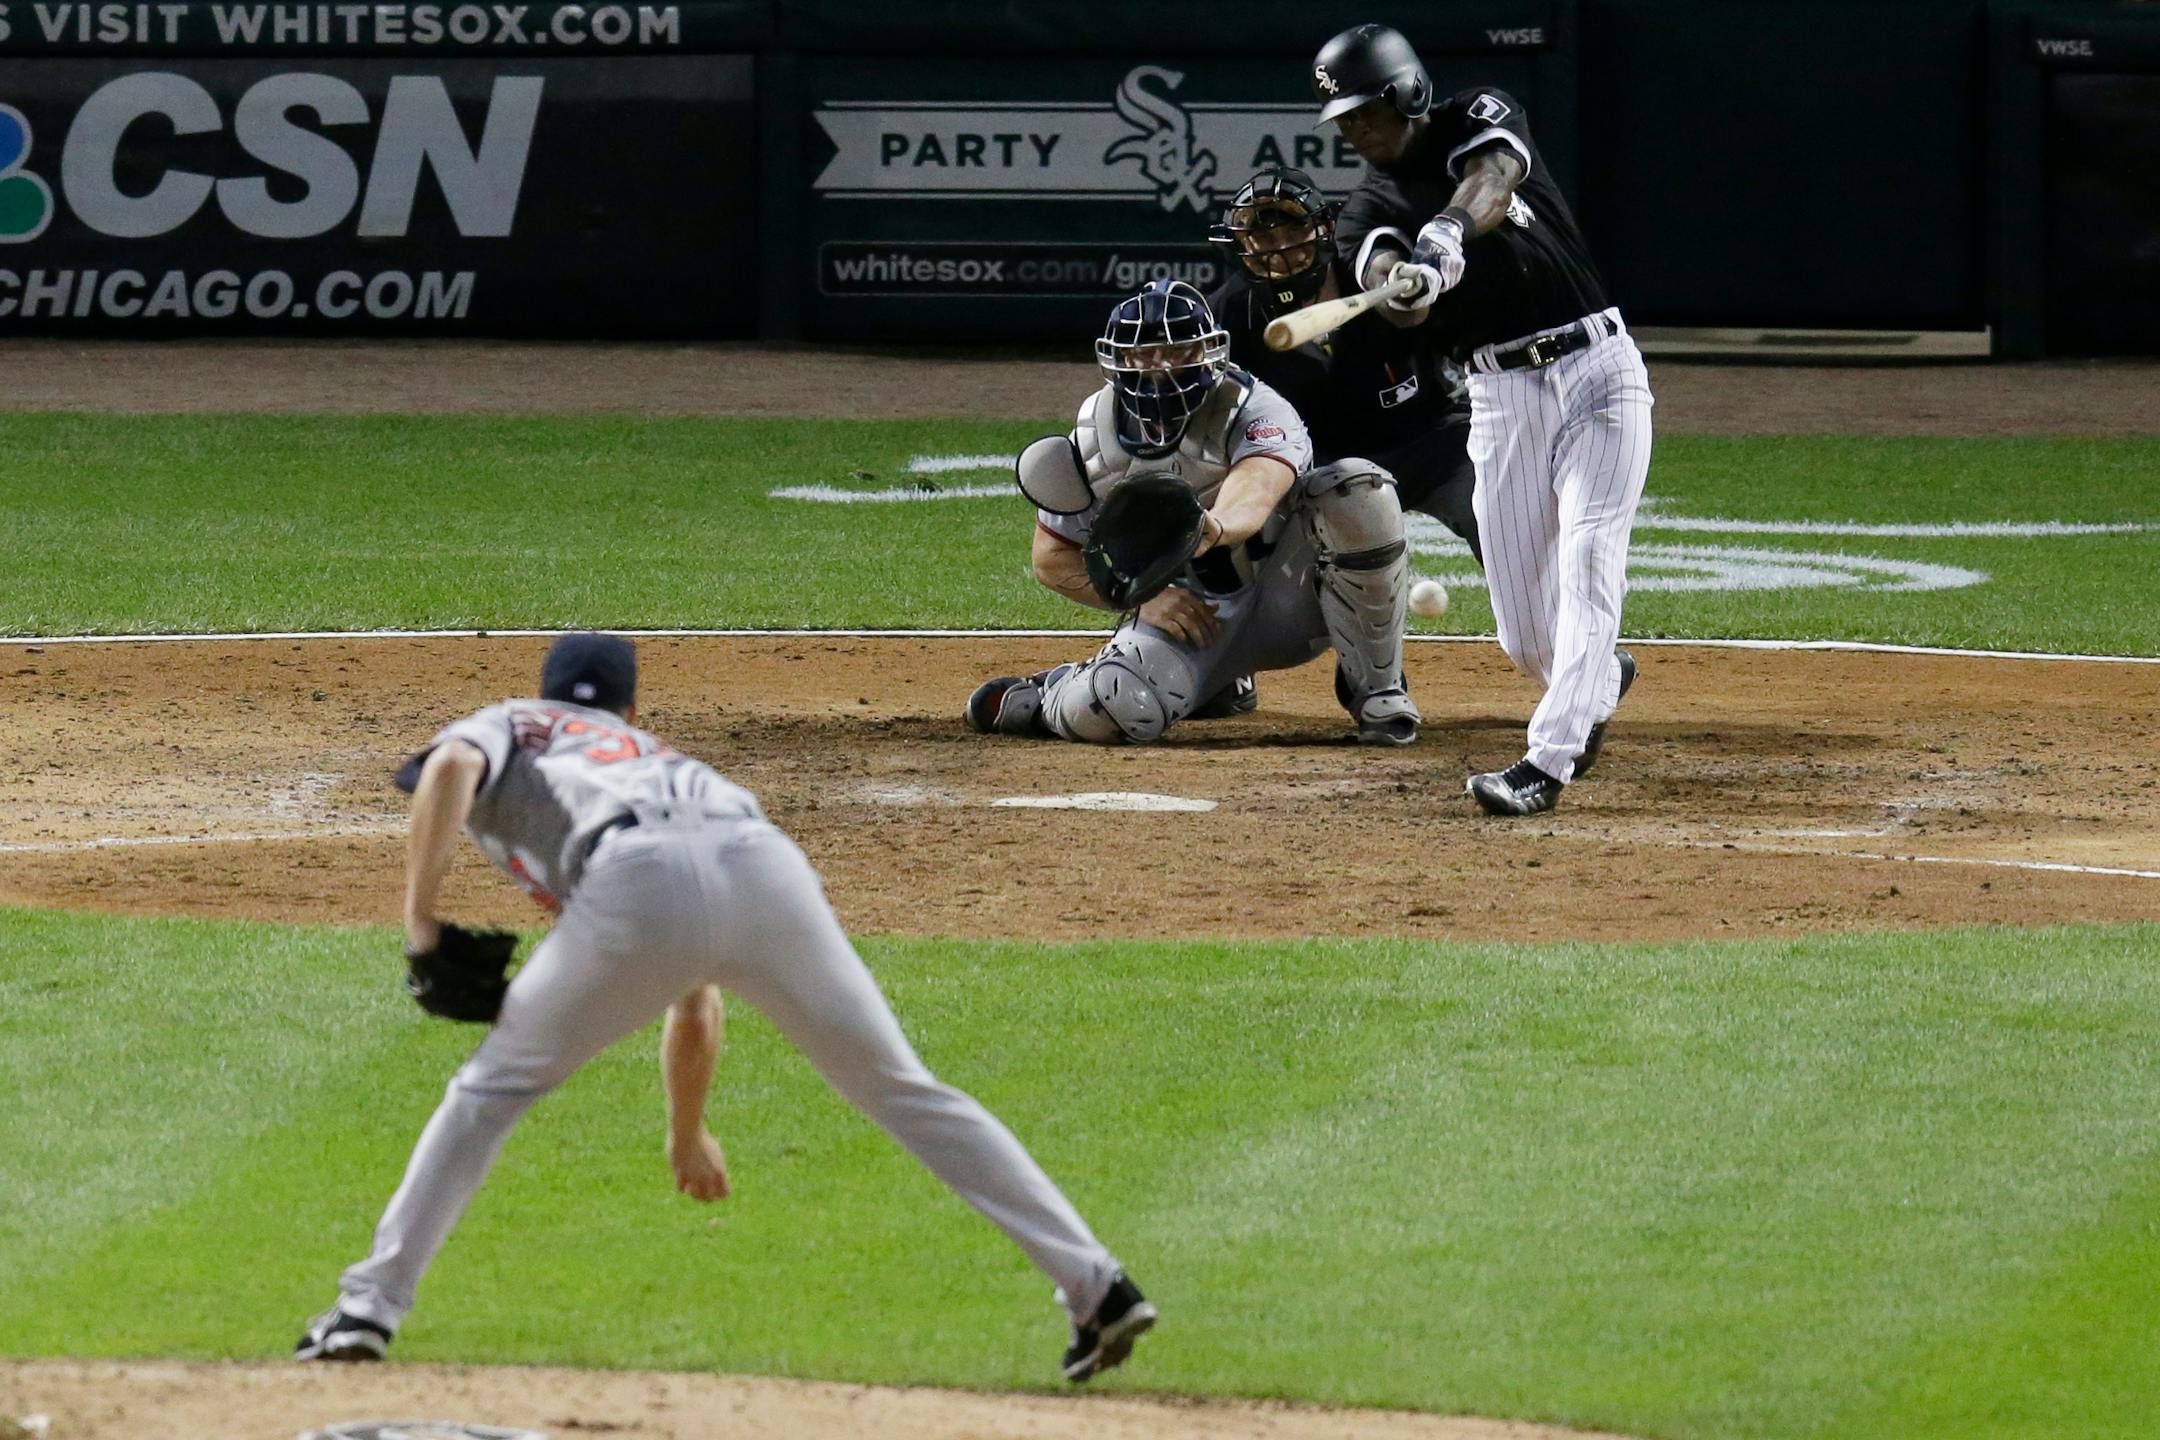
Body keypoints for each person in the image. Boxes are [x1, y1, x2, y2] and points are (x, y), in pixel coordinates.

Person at [295, 632, 1155, 1384]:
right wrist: (684, 1131)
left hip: (633, 873)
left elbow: (446, 767)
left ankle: (367, 1309)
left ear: (552, 686)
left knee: (487, 1094)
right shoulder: (651, 752)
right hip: (764, 863)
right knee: (903, 1089)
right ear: (630, 703)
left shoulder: (517, 719)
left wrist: (420, 928)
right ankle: (1098, 1287)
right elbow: (695, 988)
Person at [1314, 22, 1651, 814]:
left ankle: (1547, 763)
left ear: (1410, 94)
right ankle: (1598, 676)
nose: (1357, 131)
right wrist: (1408, 286)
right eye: (1344, 121)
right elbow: (1384, 281)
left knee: (1591, 556)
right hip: (1501, 397)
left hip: (1596, 369)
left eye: (1368, 112)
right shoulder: (1365, 209)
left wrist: (1448, 238)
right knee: (1525, 636)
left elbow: (1493, 181)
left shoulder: (1479, 113)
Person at [965, 277, 1419, 747]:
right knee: (1116, 706)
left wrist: (1216, 527)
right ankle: (1052, 696)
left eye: (1178, 351)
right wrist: (1140, 598)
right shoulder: (1093, 439)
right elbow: (1050, 558)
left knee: (1358, 488)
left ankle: (1377, 690)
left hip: (1294, 597)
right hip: (1193, 620)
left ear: (1210, 354)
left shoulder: (1255, 408)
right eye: (1143, 355)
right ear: (1117, 360)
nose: (1159, 367)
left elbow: (1259, 485)